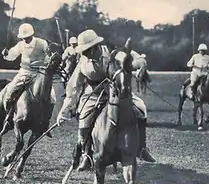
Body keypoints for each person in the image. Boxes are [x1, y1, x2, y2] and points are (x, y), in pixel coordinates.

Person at [56, 29, 156, 171]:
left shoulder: (111, 53)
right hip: (93, 94)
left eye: (86, 50)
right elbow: (73, 87)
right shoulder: (83, 62)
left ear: (95, 47)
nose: (84, 53)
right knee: (84, 121)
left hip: (115, 92)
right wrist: (64, 110)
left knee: (141, 108)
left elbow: (135, 59)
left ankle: (142, 148)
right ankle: (87, 155)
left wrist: (142, 66)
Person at [1, 23, 56, 137]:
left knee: (52, 98)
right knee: (9, 92)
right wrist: (6, 54)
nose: (25, 40)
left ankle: (45, 123)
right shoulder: (20, 45)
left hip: (40, 72)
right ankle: (9, 117)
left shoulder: (42, 43)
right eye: (23, 38)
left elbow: (49, 55)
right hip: (25, 72)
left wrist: (52, 56)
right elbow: (12, 55)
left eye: (27, 37)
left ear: (32, 35)